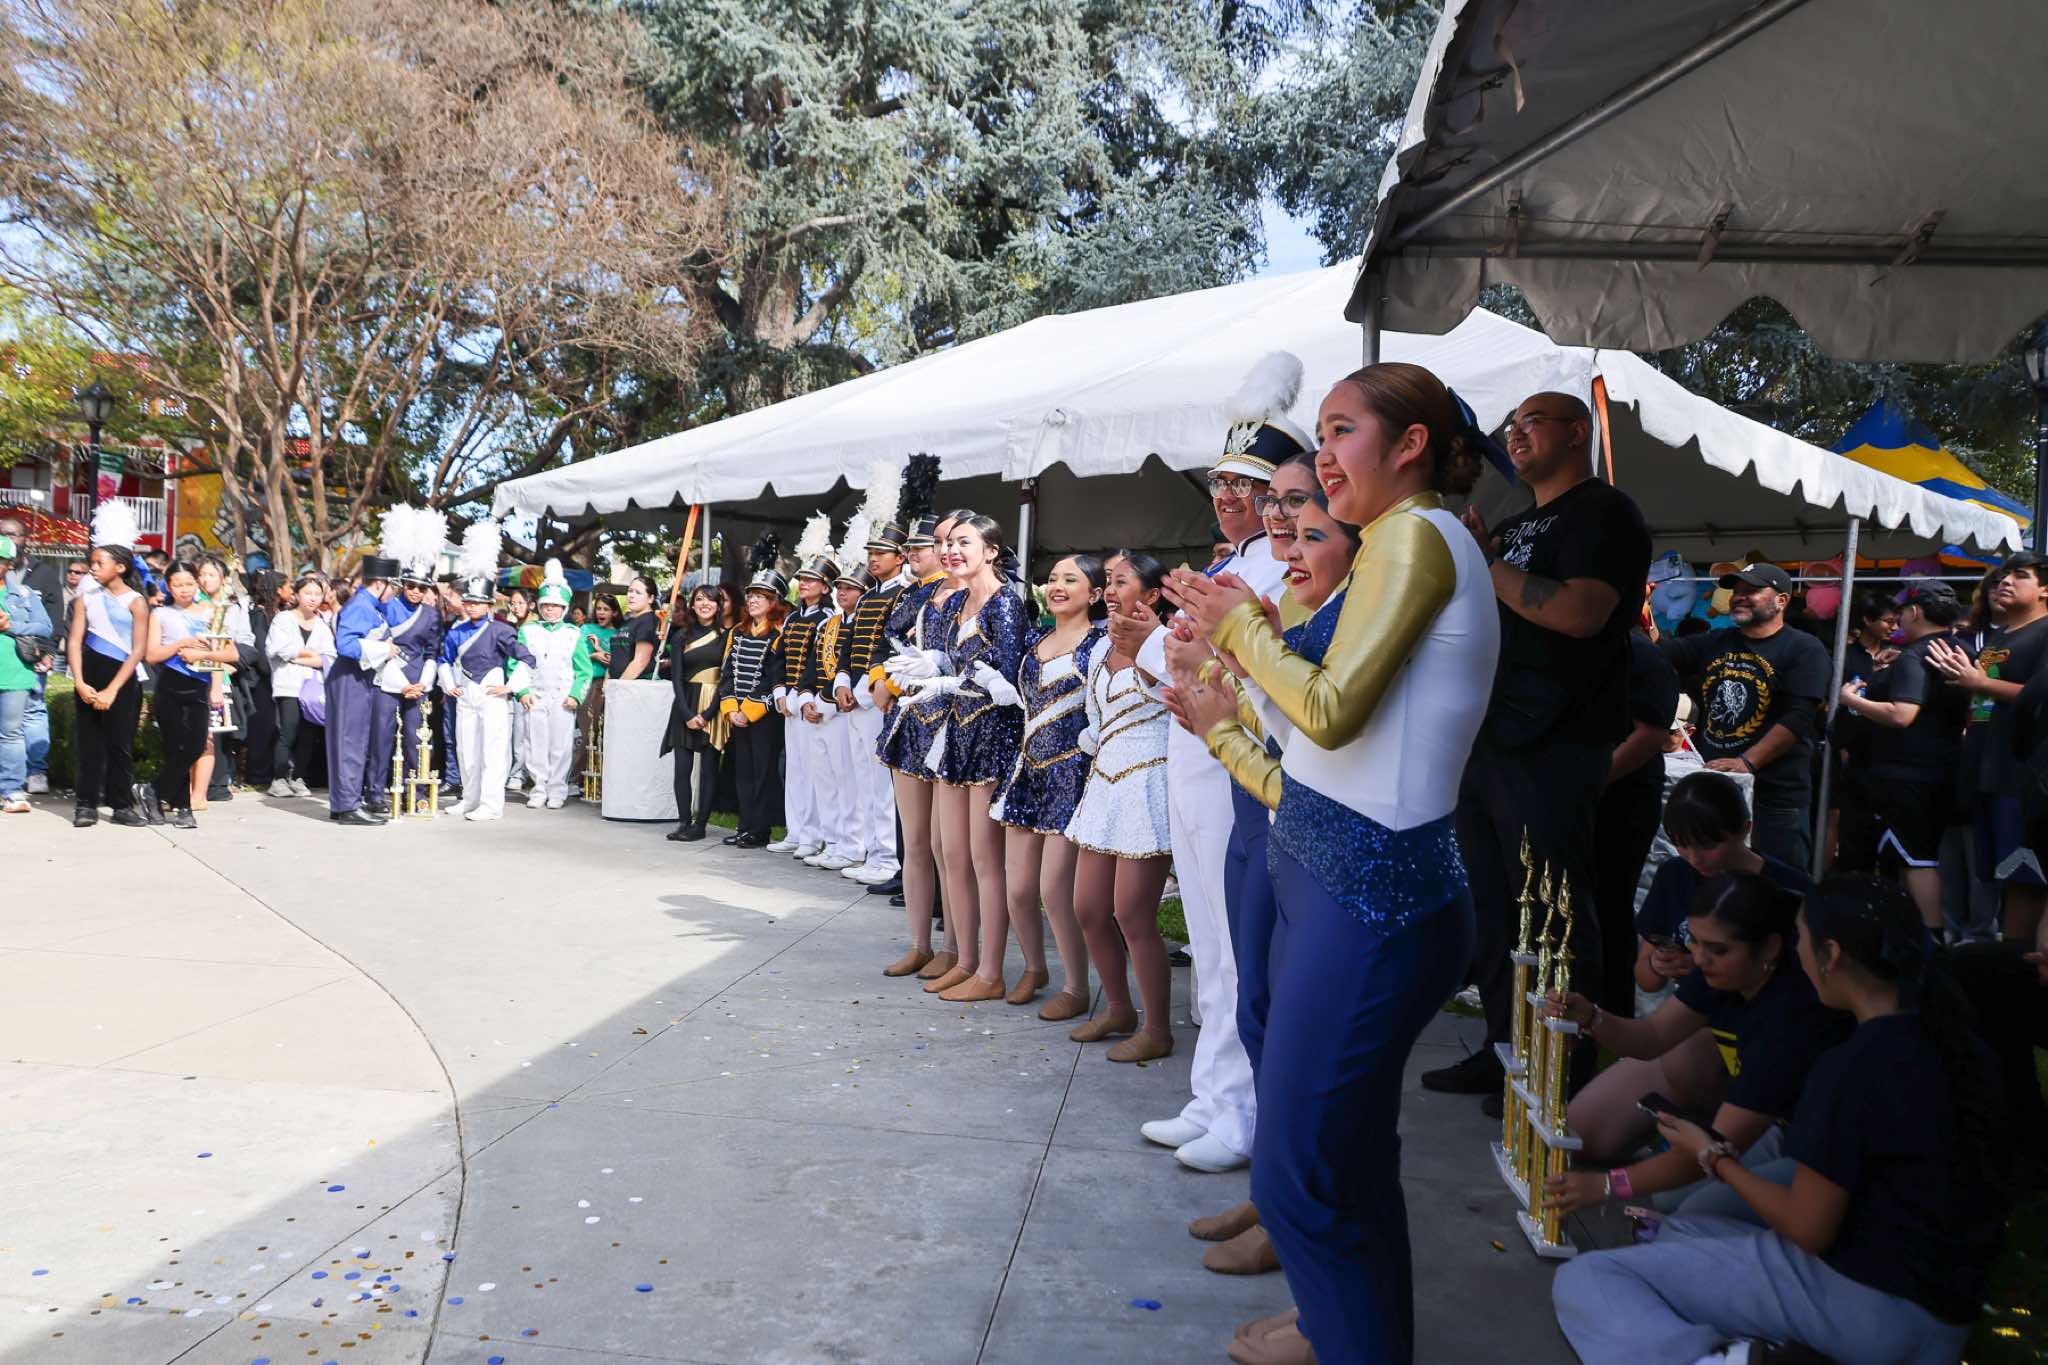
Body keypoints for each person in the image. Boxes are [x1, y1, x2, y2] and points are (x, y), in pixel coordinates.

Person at [1167, 361, 1500, 1365]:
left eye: (1341, 430)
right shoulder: (1395, 544)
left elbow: (1326, 710)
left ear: (1410, 444)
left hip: (1372, 899)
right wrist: (1224, 702)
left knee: (1299, 1169)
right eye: (1320, 434)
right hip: (1342, 883)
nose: (1322, 456)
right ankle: (1337, 1323)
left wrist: (1238, 630)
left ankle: (1346, 1335)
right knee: (1343, 1156)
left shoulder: (1414, 536)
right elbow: (1313, 755)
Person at [1553, 876, 2009, 1365]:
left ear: (1831, 954)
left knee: (1591, 1278)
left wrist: (1711, 1157)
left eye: (1801, 939)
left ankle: (1729, 1361)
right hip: (1938, 1317)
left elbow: (1808, 1227)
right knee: (1683, 1230)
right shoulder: (1950, 1042)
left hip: (1867, 1306)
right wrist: (1595, 1017)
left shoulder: (1848, 1061)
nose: (1799, 953)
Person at [1164, 457, 1363, 1280]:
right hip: (1266, 812)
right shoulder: (1291, 595)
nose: (1286, 532)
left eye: (1309, 523)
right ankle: (1272, 1189)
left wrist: (1229, 691)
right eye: (1277, 507)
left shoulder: (1357, 608)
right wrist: (1214, 689)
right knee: (1254, 1001)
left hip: (1319, 836)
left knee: (1295, 1028)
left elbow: (1316, 729)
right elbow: (1269, 712)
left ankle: (1292, 1209)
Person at [1425, 389, 1651, 1111]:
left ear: (1577, 431)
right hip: (1490, 736)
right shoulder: (1515, 524)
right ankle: (1504, 1050)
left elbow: (1582, 612)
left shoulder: (1604, 513)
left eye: (1532, 421)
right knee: (1492, 908)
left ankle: (1560, 1068)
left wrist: (1486, 564)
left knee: (1551, 907)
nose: (1515, 434)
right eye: (1511, 425)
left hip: (1554, 740)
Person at [1119, 351, 1304, 1175]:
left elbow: (1246, 667)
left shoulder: (1276, 566)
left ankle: (1243, 1110)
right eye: (1222, 482)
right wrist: (1151, 645)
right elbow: (1176, 664)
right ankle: (1214, 1094)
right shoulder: (1227, 563)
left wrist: (1164, 645)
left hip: (1239, 763)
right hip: (1193, 757)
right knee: (1208, 937)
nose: (1230, 496)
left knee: (1236, 947)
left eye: (1249, 485)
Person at [1547, 869, 1848, 1229]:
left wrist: (1607, 1186)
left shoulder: (1790, 1017)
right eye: (1694, 941)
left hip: (1815, 1149)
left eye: (1718, 949)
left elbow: (1715, 1147)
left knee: (1692, 1214)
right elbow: (1652, 1036)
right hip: (1772, 1125)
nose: (1700, 959)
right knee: (1671, 1196)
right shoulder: (1725, 967)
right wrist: (1593, 1017)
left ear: (1770, 946)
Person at [899, 512, 1029, 1002]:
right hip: (956, 733)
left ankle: (991, 972)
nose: (952, 551)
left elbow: (1008, 677)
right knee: (952, 854)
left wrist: (953, 677)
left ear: (991, 551)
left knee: (983, 860)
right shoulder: (957, 602)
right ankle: (965, 960)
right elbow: (955, 660)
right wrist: (935, 665)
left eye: (964, 543)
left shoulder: (1006, 603)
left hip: (991, 735)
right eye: (949, 543)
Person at [1062, 551, 1176, 1060]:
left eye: (1121, 581)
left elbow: (1181, 703)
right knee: (1088, 907)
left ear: (1151, 595)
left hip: (1149, 783)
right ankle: (1117, 1007)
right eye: (1107, 581)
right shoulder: (1099, 649)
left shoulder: (1170, 645)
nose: (1109, 590)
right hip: (1105, 783)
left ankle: (1157, 1029)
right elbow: (1095, 718)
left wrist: (1149, 650)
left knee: (1132, 912)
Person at [1656, 562, 1832, 870]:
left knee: (1778, 881)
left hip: (1774, 796)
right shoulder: (1716, 640)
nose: (1739, 597)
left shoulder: (1804, 649)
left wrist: (1747, 762)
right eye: (1736, 591)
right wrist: (1642, 614)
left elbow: (1798, 717)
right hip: (1718, 789)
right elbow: (1658, 653)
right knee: (1715, 881)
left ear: (1781, 600)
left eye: (1751, 591)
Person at [990, 554, 1106, 1017]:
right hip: (1027, 772)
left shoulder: (1100, 645)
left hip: (1071, 777)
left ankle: (1077, 987)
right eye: (1053, 578)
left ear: (1095, 594)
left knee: (1054, 889)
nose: (1057, 585)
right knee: (1018, 889)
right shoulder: (1034, 639)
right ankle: (1034, 967)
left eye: (1070, 579)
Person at [1930, 551, 2048, 944]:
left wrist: (1980, 683)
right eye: (2001, 577)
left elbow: (2040, 696)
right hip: (1986, 771)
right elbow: (1983, 696)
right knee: (2004, 878)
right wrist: (1959, 678)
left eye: (2020, 575)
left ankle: (2023, 962)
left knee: (2028, 879)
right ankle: (2009, 960)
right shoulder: (2000, 636)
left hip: (2023, 777)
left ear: (2045, 589)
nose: (2005, 582)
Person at [1834, 579, 1966, 930]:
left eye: (1902, 613)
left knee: (1916, 860)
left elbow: (1902, 714)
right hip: (1943, 768)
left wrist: (1852, 700)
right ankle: (1919, 935)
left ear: (1915, 612)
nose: (1898, 621)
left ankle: (1930, 939)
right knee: (1916, 856)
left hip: (1908, 776)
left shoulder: (1916, 655)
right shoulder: (1960, 649)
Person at [877, 514, 967, 978]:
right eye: (940, 542)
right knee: (915, 842)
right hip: (912, 721)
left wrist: (938, 666)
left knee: (945, 845)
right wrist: (891, 675)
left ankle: (955, 948)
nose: (946, 550)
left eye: (953, 542)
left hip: (956, 723)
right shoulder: (917, 596)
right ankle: (919, 944)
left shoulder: (984, 596)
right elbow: (888, 639)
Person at [1594, 612, 1684, 1015]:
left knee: (1609, 910)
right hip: (1589, 797)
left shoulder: (1643, 656)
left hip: (1621, 802)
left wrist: (1586, 785)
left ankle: (1612, 1014)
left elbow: (1650, 735)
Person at [66, 503, 150, 827]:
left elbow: (138, 650)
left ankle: (121, 806)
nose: (93, 568)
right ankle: (85, 805)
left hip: (123, 680)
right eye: (92, 563)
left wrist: (113, 689)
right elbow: (75, 641)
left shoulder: (136, 602)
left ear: (121, 566)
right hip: (89, 675)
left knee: (120, 745)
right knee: (88, 744)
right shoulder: (86, 599)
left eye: (100, 563)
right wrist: (79, 681)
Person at [143, 561, 236, 829]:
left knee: (196, 745)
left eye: (189, 584)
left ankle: (152, 790)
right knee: (174, 749)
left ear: (197, 584)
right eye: (178, 585)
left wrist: (211, 676)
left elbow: (231, 654)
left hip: (199, 686)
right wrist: (181, 644)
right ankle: (182, 807)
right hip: (170, 684)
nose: (184, 589)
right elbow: (152, 655)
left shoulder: (211, 612)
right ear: (168, 586)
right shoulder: (161, 614)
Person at [440, 564, 536, 823]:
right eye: (469, 601)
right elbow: (444, 660)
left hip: (492, 696)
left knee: (492, 751)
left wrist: (511, 687)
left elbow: (527, 658)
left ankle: (491, 804)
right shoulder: (456, 632)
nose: (472, 606)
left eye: (478, 602)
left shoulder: (500, 630)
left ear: (489, 605)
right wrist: (449, 683)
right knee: (466, 750)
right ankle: (469, 799)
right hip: (466, 695)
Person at [768, 527, 833, 859]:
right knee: (794, 768)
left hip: (809, 701)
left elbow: (817, 661)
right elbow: (778, 657)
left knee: (813, 771)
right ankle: (796, 831)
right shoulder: (793, 617)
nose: (803, 583)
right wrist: (780, 690)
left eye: (811, 580)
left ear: (825, 586)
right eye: (802, 579)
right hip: (789, 701)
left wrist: (805, 695)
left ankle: (813, 835)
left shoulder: (827, 617)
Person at [325, 552, 404, 825]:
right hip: (349, 678)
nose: (394, 593)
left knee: (352, 740)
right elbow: (345, 644)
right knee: (350, 741)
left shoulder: (369, 605)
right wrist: (384, 649)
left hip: (358, 677)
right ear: (380, 584)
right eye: (393, 587)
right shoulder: (361, 605)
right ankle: (348, 805)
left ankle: (343, 802)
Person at [716, 561, 788, 848]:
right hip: (737, 714)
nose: (753, 600)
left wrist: (749, 710)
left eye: (761, 596)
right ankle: (745, 825)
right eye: (751, 595)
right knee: (742, 772)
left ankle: (760, 829)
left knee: (763, 774)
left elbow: (774, 677)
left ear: (774, 602)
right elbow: (726, 672)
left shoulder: (779, 634)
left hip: (763, 715)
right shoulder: (737, 632)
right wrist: (731, 708)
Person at [515, 560, 586, 810]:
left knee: (560, 745)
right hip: (535, 694)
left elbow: (584, 670)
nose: (550, 610)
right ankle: (538, 788)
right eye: (546, 605)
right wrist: (522, 691)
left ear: (564, 608)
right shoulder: (528, 631)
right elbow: (516, 663)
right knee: (534, 743)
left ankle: (557, 788)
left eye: (555, 606)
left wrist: (576, 695)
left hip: (562, 696)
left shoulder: (574, 634)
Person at [0, 513, 59, 793]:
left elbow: (47, 625)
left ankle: (15, 786)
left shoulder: (25, 592)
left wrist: (11, 626)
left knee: (14, 730)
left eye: (0, 560)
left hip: (16, 671)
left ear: (8, 564)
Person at [662, 586, 726, 842]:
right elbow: (676, 677)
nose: (705, 604)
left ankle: (700, 826)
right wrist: (688, 714)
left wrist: (708, 714)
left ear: (719, 605)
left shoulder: (726, 636)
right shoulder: (681, 636)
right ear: (692, 604)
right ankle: (684, 822)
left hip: (713, 705)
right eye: (699, 599)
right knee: (682, 769)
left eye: (710, 600)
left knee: (709, 770)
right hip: (685, 705)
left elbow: (726, 679)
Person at [265, 574, 333, 797]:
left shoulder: (322, 626)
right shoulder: (283, 619)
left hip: (312, 689)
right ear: (297, 595)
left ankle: (298, 777)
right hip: (288, 686)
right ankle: (278, 778)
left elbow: (328, 657)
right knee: (288, 731)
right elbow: (278, 650)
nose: (313, 598)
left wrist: (299, 657)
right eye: (308, 593)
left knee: (307, 735)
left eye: (317, 594)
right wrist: (308, 654)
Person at [574, 592, 621, 797]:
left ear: (614, 612)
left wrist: (606, 655)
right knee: (588, 733)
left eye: (606, 609)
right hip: (590, 684)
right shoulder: (585, 629)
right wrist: (594, 655)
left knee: (606, 735)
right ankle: (574, 778)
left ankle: (601, 781)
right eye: (599, 608)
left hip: (612, 684)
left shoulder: (619, 633)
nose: (601, 612)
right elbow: (575, 655)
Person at [610, 576, 660, 681]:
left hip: (635, 685)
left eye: (638, 593)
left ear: (651, 598)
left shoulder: (648, 621)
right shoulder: (628, 621)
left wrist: (618, 686)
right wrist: (607, 682)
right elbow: (615, 657)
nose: (631, 596)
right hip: (615, 684)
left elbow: (640, 661)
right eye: (630, 591)